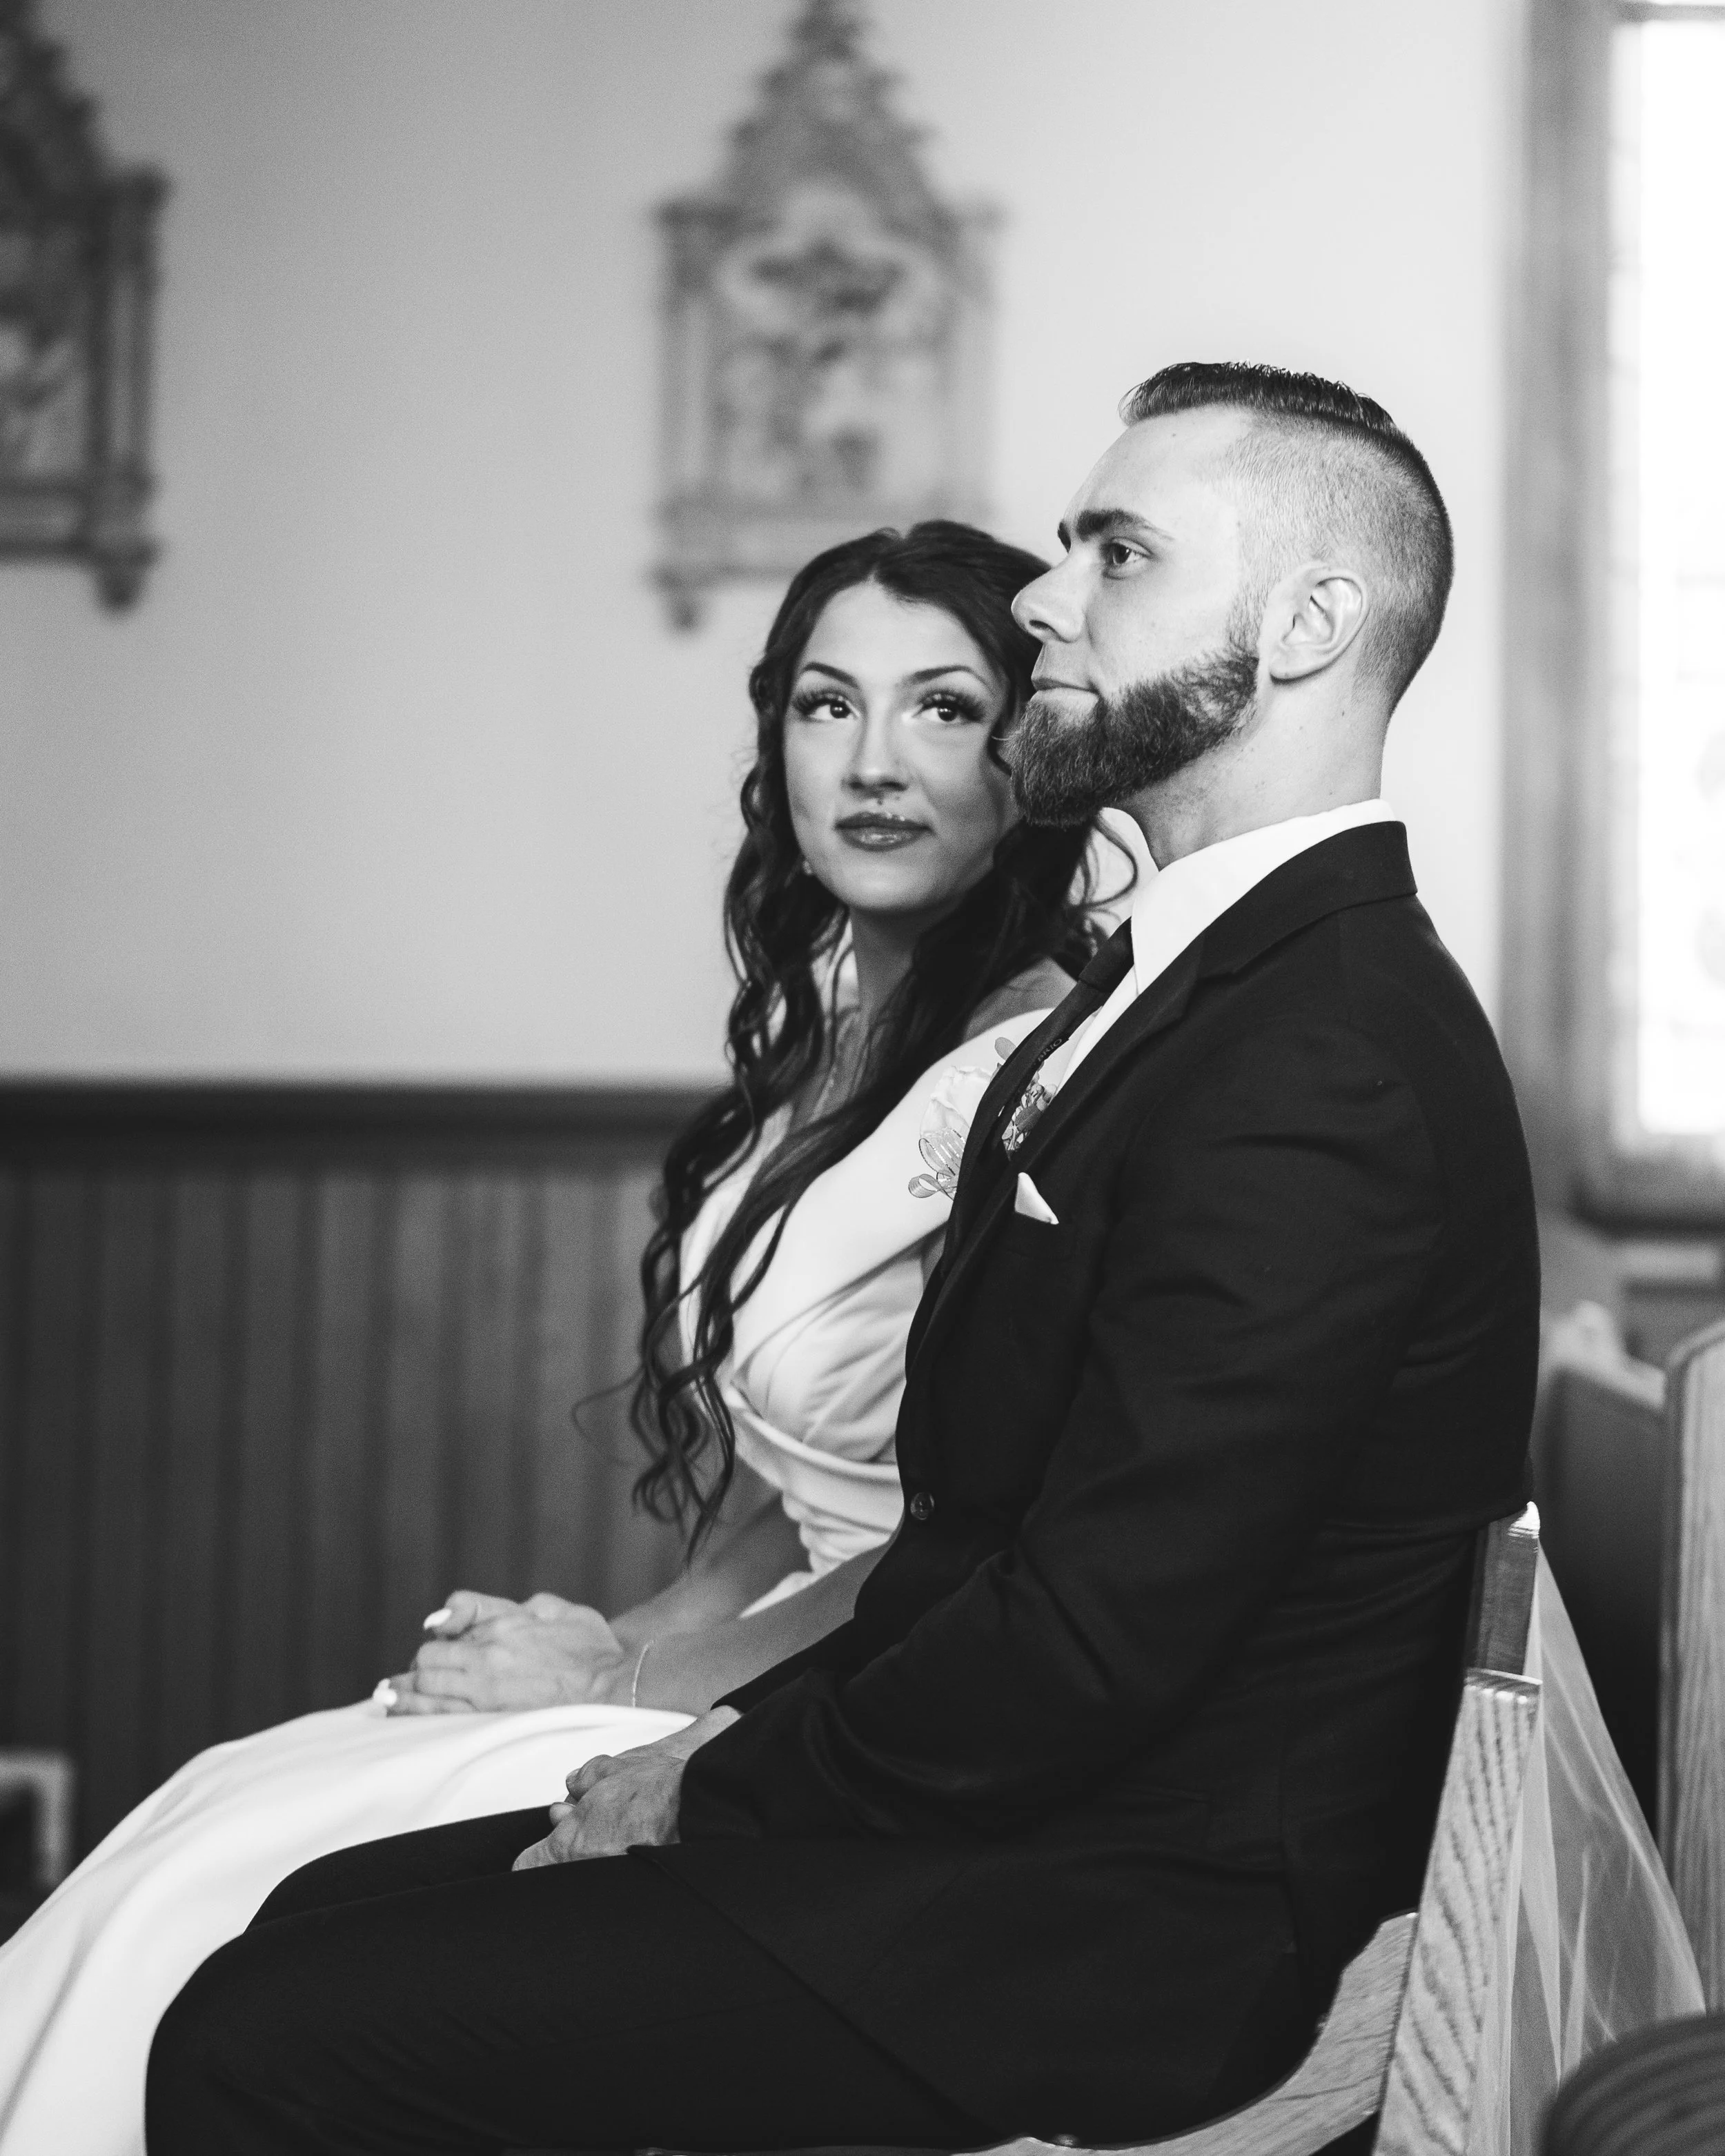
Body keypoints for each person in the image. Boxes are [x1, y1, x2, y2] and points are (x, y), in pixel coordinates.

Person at [146, 362, 1544, 2155]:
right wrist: (696, 1742)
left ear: (1308, 622)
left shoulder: (1318, 1050)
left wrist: (701, 1781)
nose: (1049, 598)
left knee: (263, 2038)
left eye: (1118, 552)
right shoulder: (1204, 994)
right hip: (1022, 1832)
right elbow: (983, 1551)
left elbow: (1092, 1636)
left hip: (1123, 1929)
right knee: (308, 1922)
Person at [0, 520, 1105, 2156]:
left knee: (229, 1916)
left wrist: (638, 1675)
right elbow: (803, 1476)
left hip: (862, 1715)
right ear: (773, 740)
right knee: (212, 1811)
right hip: (761, 1646)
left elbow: (966, 1526)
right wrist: (616, 1628)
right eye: (824, 703)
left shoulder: (1026, 1057)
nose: (873, 760)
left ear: (1028, 746)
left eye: (941, 706)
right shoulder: (836, 1018)